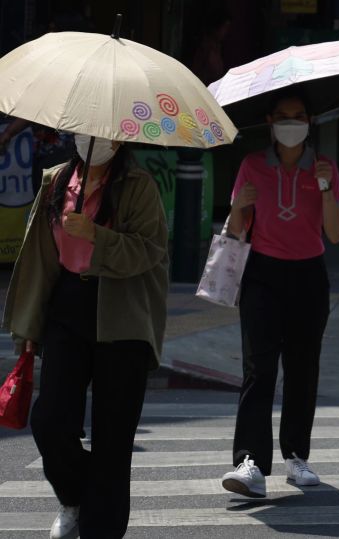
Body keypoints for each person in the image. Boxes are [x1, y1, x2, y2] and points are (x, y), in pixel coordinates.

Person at [2, 134, 168, 538]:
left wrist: (98, 237)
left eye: (104, 132)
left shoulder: (138, 184)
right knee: (50, 421)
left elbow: (150, 251)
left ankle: (101, 525)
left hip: (122, 316)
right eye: (85, 128)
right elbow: (40, 259)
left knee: (113, 438)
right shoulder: (56, 181)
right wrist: (28, 324)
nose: (94, 139)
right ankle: (76, 496)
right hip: (67, 308)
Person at [221, 92, 339, 499]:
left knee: (303, 368)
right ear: (271, 121)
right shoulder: (253, 165)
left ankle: (296, 456)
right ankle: (249, 461)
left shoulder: (324, 168)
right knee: (258, 369)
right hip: (262, 274)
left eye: (299, 116)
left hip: (309, 275)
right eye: (284, 117)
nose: (291, 123)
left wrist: (326, 189)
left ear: (310, 121)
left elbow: (336, 233)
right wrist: (239, 206)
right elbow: (237, 232)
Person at [0, 117, 75, 194]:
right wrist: (8, 133)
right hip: (45, 155)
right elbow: (29, 113)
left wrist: (8, 133)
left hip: (63, 153)